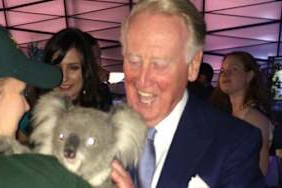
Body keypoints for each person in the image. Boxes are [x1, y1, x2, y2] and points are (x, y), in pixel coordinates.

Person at [0, 12, 128, 188]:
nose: (26, 106)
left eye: (73, 67)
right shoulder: (47, 175)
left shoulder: (105, 122)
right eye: (20, 93)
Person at [120, 0, 266, 187]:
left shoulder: (234, 144)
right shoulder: (96, 131)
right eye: (133, 60)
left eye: (160, 63)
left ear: (193, 65)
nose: (143, 79)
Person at [210, 51, 272, 176]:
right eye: (222, 70)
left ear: (249, 76)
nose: (225, 74)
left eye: (234, 69)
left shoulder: (255, 119)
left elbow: (258, 171)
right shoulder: (224, 112)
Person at [42, 28, 112, 111]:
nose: (64, 77)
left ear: (86, 70)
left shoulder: (102, 113)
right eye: (57, 68)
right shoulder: (35, 118)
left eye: (73, 68)